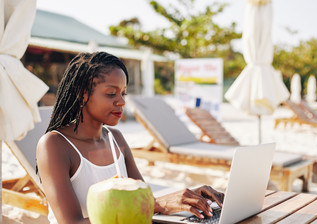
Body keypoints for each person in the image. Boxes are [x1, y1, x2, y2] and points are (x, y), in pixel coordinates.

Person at [36, 51, 224, 224]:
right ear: (81, 94)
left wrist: (188, 195)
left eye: (123, 93)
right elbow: (72, 223)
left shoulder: (115, 138)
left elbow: (144, 200)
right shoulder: (55, 145)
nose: (121, 101)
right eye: (111, 93)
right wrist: (157, 205)